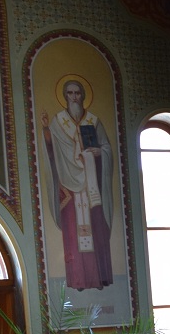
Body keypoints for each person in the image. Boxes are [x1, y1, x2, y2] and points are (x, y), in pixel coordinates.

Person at [39, 76, 114, 289]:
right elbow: (50, 150)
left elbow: (107, 148)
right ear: (65, 96)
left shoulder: (93, 121)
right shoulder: (57, 122)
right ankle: (78, 280)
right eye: (70, 93)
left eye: (77, 93)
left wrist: (99, 152)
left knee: (96, 229)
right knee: (73, 234)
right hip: (68, 186)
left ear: (83, 96)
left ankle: (99, 278)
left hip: (92, 185)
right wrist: (46, 130)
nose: (74, 97)